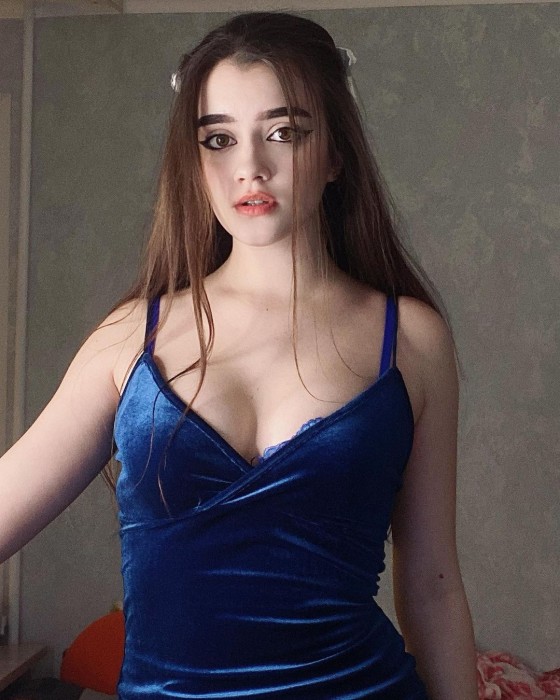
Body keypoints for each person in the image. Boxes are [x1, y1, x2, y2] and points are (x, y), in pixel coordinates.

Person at [1, 11, 479, 699]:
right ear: (195, 163)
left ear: (336, 154)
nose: (249, 167)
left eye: (283, 132)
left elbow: (432, 587)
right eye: (219, 139)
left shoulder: (410, 339)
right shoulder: (131, 338)